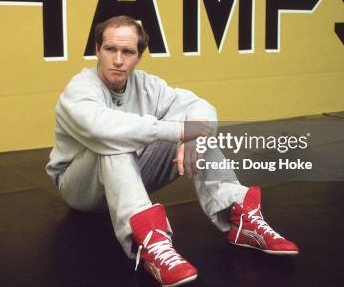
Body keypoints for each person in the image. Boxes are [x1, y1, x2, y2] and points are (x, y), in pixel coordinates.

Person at [46, 16, 298, 286]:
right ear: (97, 49)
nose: (118, 60)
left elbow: (201, 107)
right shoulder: (80, 88)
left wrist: (193, 135)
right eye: (110, 49)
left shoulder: (147, 85)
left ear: (138, 56)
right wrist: (180, 131)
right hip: (81, 188)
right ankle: (151, 242)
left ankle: (238, 217)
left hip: (127, 178)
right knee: (114, 141)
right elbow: (102, 129)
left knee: (200, 134)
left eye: (128, 52)